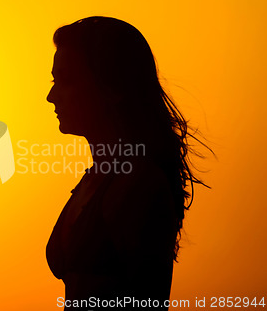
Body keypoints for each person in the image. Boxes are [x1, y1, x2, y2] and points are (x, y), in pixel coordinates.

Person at [45, 16, 212, 310]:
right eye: (54, 80)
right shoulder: (97, 179)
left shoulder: (139, 186)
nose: (51, 96)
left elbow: (148, 301)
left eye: (67, 81)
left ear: (113, 88)